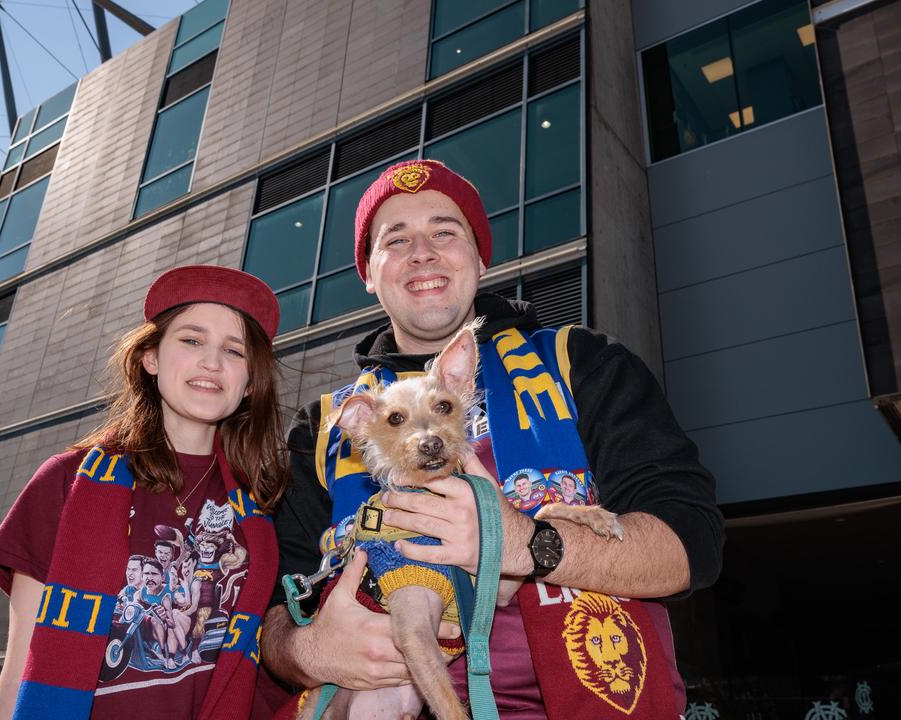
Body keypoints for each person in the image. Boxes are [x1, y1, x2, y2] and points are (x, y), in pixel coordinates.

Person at [261, 159, 724, 717]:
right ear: (368, 271)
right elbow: (274, 607)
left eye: (444, 232)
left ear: (481, 256)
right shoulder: (325, 425)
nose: (422, 251)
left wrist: (530, 543)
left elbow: (690, 546)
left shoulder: (581, 361)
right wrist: (305, 648)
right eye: (396, 238)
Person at [0, 265, 288, 720]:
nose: (212, 362)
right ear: (150, 357)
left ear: (250, 382)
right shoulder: (66, 480)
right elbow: (23, 660)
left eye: (234, 350)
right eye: (191, 340)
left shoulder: (264, 508)